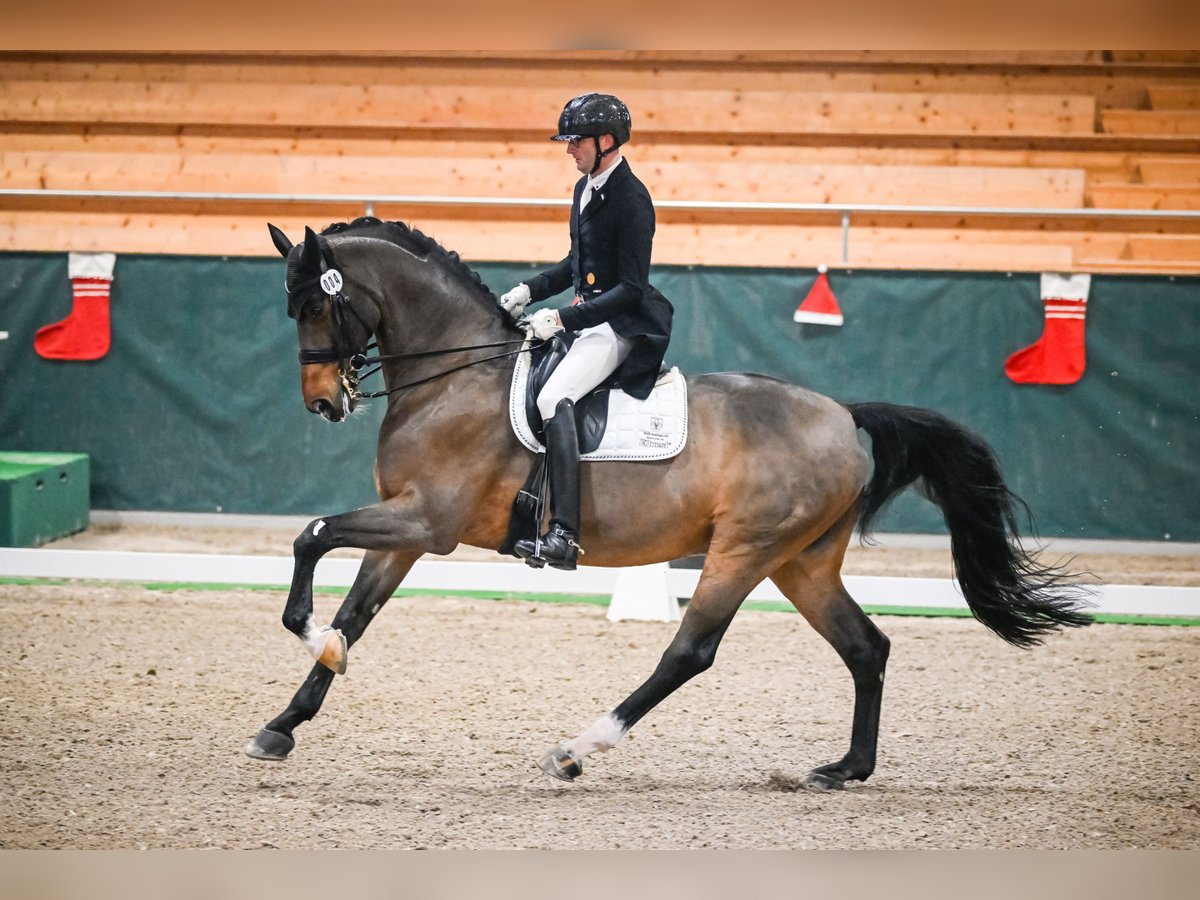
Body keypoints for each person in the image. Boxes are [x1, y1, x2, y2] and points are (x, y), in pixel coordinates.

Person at [498, 92, 674, 571]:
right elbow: (576, 263)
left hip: (622, 325)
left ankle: (564, 534)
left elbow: (632, 289)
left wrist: (562, 319)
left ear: (607, 141)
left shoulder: (631, 198)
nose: (568, 149)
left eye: (576, 141)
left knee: (553, 398)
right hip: (591, 316)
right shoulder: (586, 187)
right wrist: (529, 291)